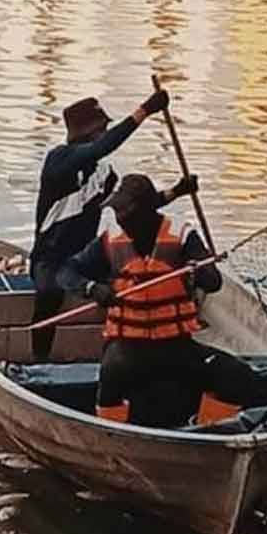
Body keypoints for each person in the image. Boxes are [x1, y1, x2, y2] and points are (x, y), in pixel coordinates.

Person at [57, 173, 266, 426]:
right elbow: (66, 273)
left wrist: (200, 268)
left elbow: (213, 282)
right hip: (127, 348)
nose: (119, 218)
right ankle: (114, 436)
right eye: (117, 210)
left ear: (145, 210)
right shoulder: (109, 240)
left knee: (237, 376)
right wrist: (91, 288)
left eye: (124, 211)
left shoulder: (182, 235)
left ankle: (210, 432)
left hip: (175, 346)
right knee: (110, 379)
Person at [30, 91, 197, 360]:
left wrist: (176, 192)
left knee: (129, 288)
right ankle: (39, 362)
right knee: (49, 294)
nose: (105, 132)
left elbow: (135, 206)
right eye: (102, 129)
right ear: (89, 132)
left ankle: (125, 352)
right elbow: (103, 146)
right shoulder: (58, 160)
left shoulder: (105, 175)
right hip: (51, 257)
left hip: (85, 258)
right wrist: (145, 110)